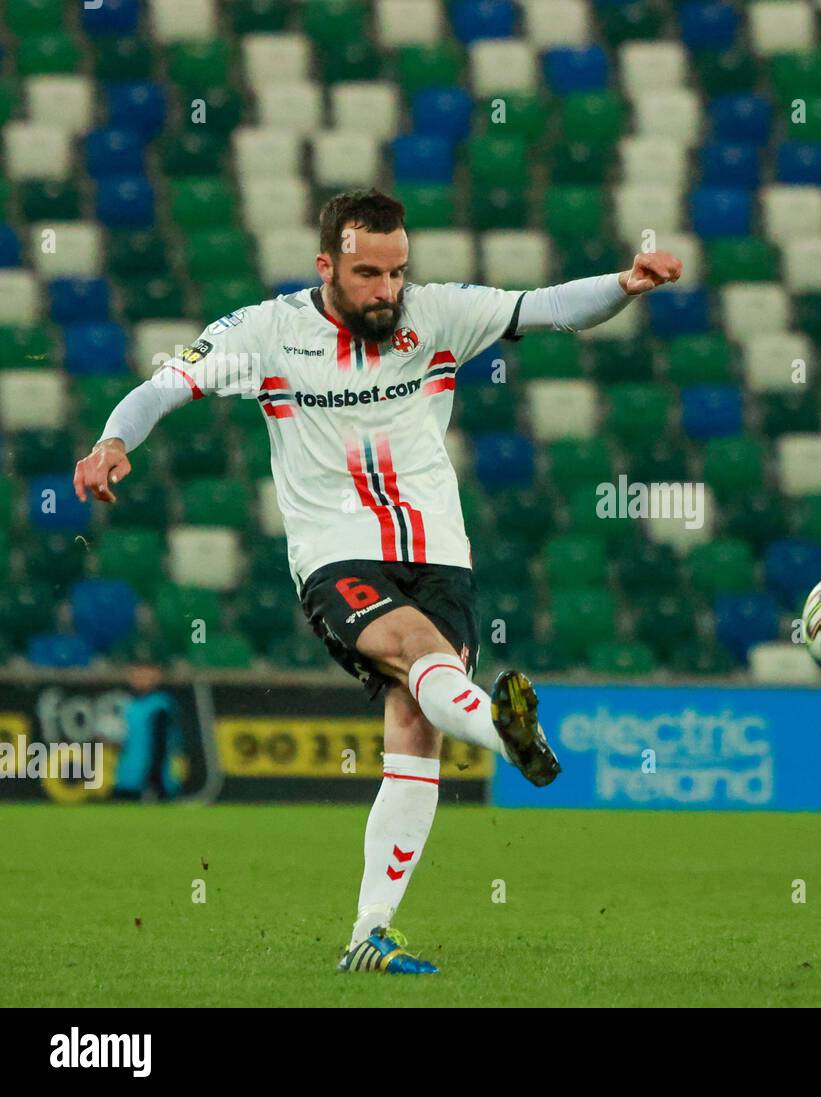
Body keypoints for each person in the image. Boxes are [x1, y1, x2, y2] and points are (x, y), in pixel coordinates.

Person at [74, 188, 683, 975]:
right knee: (416, 651)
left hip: (441, 554)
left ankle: (370, 930)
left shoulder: (439, 315)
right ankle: (504, 730)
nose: (386, 292)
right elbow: (165, 384)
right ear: (326, 264)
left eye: (397, 273)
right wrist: (113, 441)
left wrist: (625, 284)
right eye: (368, 274)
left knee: (415, 714)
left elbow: (547, 306)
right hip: (336, 554)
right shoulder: (265, 333)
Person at [113, 659, 184, 802]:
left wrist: (153, 778)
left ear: (157, 677)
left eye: (146, 674)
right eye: (137, 673)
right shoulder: (126, 704)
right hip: (126, 778)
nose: (141, 678)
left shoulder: (160, 705)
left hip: (154, 780)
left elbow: (161, 744)